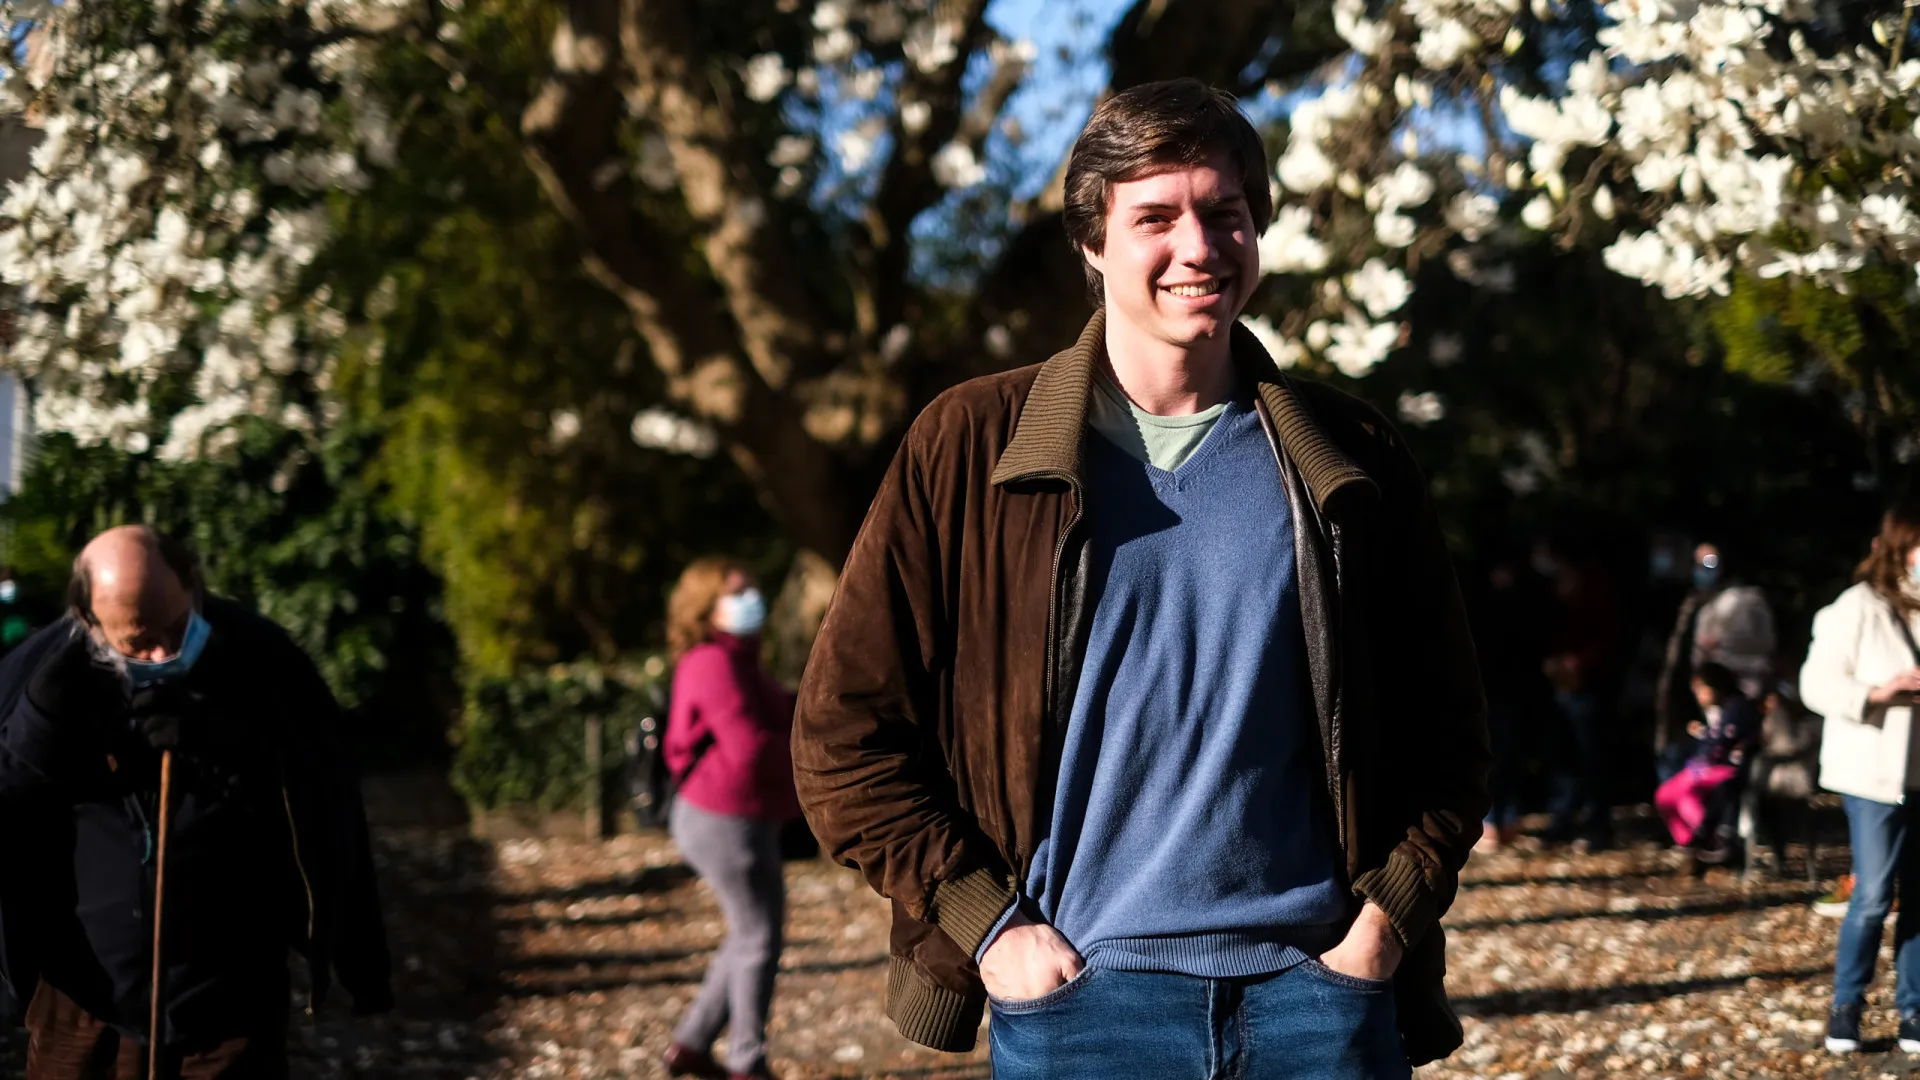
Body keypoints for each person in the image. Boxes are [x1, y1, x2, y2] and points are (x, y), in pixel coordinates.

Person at [792, 79, 1489, 1078]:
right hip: (1080, 1007)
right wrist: (993, 928)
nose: (1198, 248)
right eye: (1155, 217)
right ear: (1093, 244)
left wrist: (1383, 923)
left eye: (1225, 213)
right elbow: (842, 737)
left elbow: (1449, 733)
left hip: (1319, 1004)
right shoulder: (969, 445)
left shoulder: (1353, 454)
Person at [0, 525, 391, 1079]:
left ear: (192, 583)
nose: (162, 651)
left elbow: (330, 805)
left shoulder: (265, 662)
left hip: (228, 1002)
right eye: (137, 641)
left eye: (176, 627)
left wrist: (362, 964)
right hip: (84, 1005)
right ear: (88, 621)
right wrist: (40, 727)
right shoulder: (38, 675)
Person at [660, 558, 799, 1080]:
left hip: (739, 817)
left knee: (746, 934)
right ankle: (747, 1061)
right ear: (706, 606)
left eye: (752, 589)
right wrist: (819, 754)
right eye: (737, 592)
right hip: (723, 821)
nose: (751, 600)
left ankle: (691, 1045)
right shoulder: (712, 663)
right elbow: (748, 747)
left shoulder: (739, 659)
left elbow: (777, 709)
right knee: (759, 937)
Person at [1802, 500, 1920, 1055]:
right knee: (1872, 894)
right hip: (1873, 775)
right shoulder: (1855, 608)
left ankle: (1914, 1010)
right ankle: (1846, 1005)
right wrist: (1878, 693)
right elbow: (1816, 685)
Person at [1653, 543, 1775, 782]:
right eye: (1697, 563)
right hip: (1691, 701)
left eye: (1709, 561)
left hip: (1729, 704)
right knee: (1681, 769)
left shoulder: (1746, 603)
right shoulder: (1692, 603)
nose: (1702, 569)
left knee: (1722, 774)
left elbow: (1759, 653)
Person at [1536, 537, 1623, 851]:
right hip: (1559, 682)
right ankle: (1562, 818)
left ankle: (1597, 824)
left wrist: (1579, 662)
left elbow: (1610, 637)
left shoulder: (1594, 587)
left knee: (1591, 756)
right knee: (1563, 755)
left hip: (1587, 684)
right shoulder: (1551, 590)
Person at [1653, 662, 1756, 862]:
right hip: (1707, 767)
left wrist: (1705, 749)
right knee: (1665, 796)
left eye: (1701, 689)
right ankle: (1690, 841)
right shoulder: (1718, 709)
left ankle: (1711, 836)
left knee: (1686, 793)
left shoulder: (1737, 707)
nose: (1698, 696)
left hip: (1726, 768)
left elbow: (1723, 743)